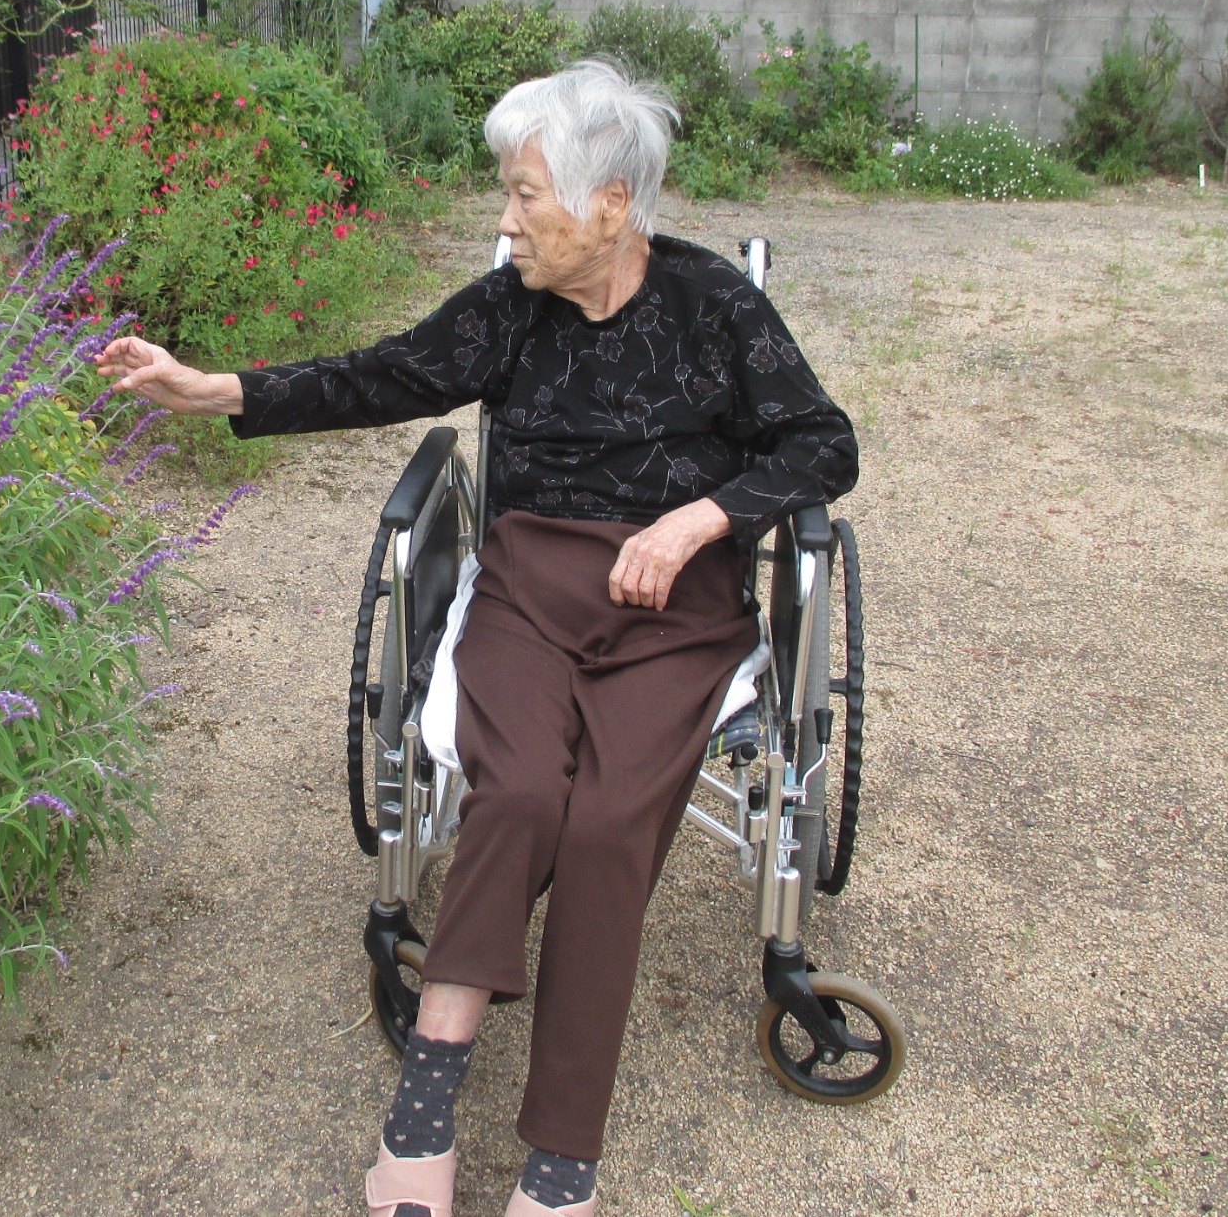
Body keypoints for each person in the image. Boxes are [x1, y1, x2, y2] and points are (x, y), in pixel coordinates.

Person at [97, 60, 857, 1217]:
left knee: (606, 825)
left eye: (524, 196)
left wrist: (701, 518)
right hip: (527, 590)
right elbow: (384, 375)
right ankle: (429, 1092)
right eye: (505, 195)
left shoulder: (715, 309)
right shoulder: (510, 310)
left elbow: (820, 445)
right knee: (514, 796)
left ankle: (561, 1155)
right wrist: (214, 391)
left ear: (611, 205)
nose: (504, 221)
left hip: (678, 610)